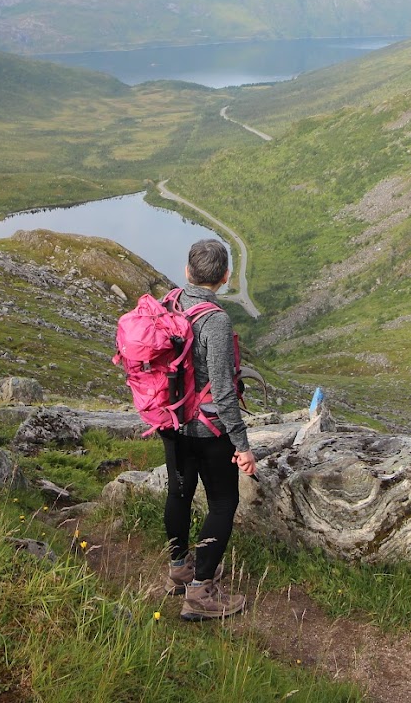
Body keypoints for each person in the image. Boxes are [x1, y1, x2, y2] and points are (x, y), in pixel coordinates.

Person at [162, 238, 257, 621]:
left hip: (171, 421)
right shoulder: (215, 320)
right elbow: (221, 389)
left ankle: (180, 568)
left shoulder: (171, 301)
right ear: (225, 277)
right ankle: (200, 592)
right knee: (223, 502)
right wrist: (243, 444)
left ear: (188, 271)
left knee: (179, 494)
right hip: (207, 429)